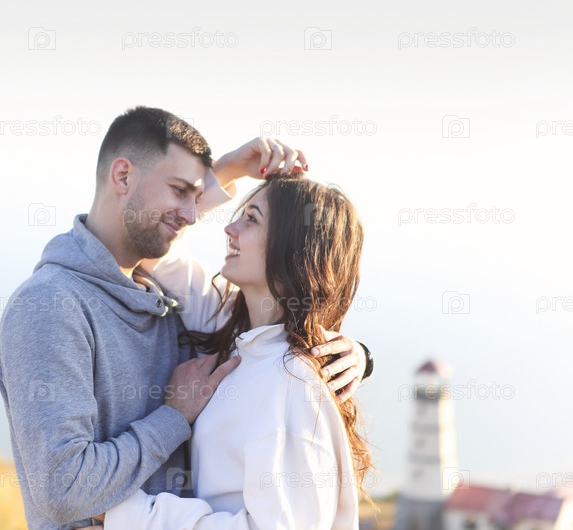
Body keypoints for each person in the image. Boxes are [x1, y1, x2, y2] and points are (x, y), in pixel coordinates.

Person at [0, 106, 373, 529]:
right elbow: (65, 489)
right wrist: (175, 416)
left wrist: (355, 355)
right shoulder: (52, 305)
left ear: (293, 254)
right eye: (179, 191)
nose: (196, 216)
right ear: (122, 176)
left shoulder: (191, 317)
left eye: (249, 219)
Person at [96, 174, 373, 528]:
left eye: (252, 219)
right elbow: (155, 249)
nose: (230, 228)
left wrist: (134, 515)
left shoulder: (293, 381)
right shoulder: (236, 337)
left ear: (295, 249)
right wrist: (229, 168)